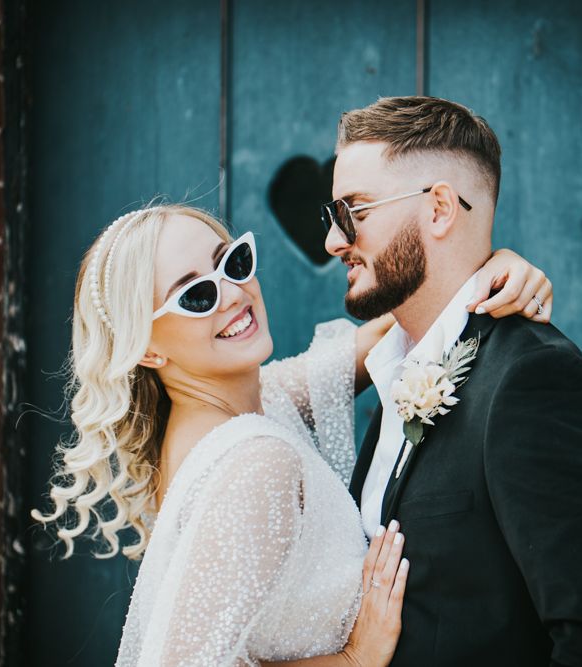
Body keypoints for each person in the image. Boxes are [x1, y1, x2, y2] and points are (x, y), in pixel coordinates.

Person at [32, 202, 552, 666]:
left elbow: (399, 327)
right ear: (146, 348)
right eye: (195, 295)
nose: (233, 294)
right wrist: (354, 659)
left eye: (232, 262)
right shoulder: (251, 463)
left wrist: (494, 272)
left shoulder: (258, 404)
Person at [323, 96, 582, 666]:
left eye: (354, 212)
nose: (333, 241)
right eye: (331, 217)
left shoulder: (531, 379)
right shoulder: (393, 375)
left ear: (441, 207)